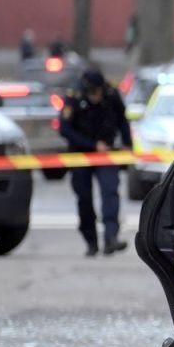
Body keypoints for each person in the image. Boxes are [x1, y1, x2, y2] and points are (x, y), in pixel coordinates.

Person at [58, 69, 130, 258]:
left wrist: (127, 143)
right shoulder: (73, 97)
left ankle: (111, 236)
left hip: (106, 152)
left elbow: (122, 120)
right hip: (80, 154)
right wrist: (91, 145)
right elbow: (65, 129)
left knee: (110, 192)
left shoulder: (111, 95)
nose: (97, 97)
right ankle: (91, 241)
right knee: (84, 198)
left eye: (99, 92)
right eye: (93, 93)